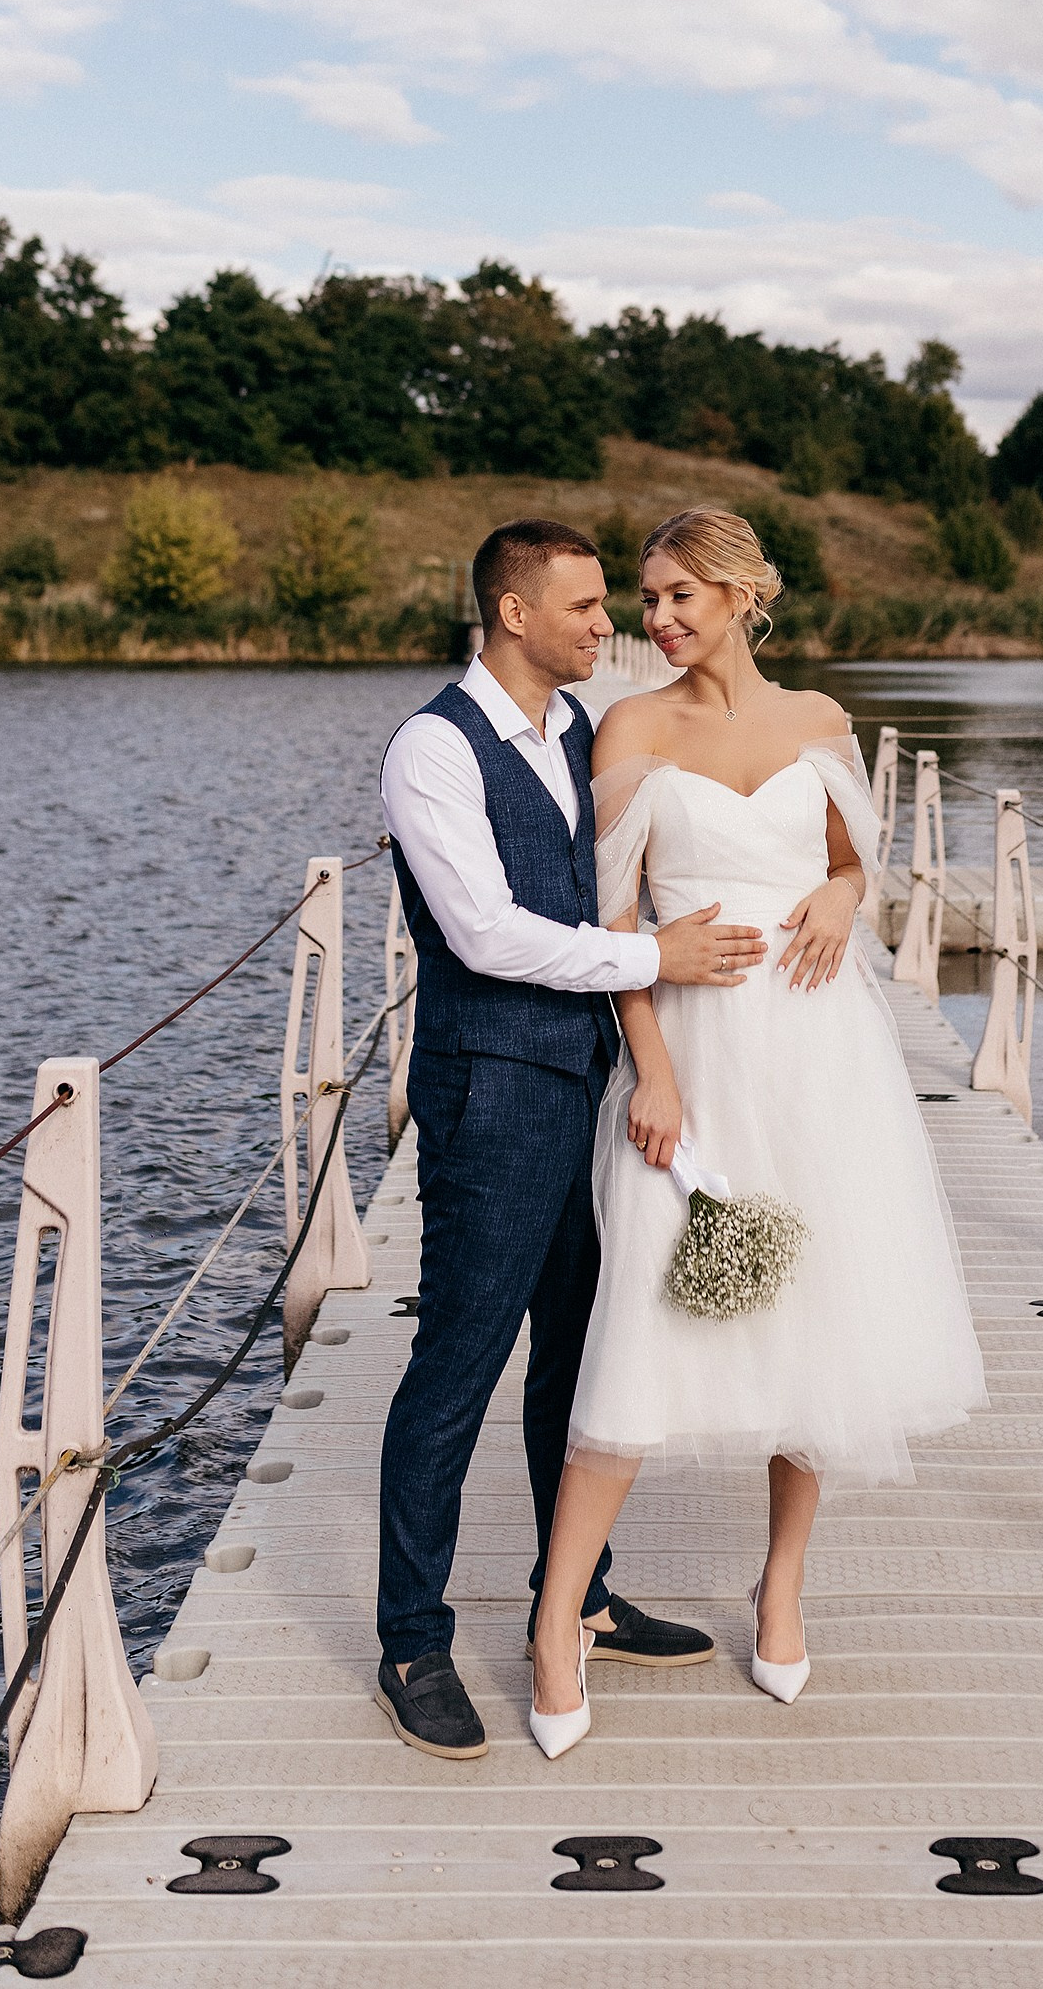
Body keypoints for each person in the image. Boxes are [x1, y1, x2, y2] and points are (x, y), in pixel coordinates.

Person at [526, 506, 986, 1756]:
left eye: (677, 596)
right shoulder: (630, 728)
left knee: (808, 1321)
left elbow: (848, 864)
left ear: (739, 595)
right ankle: (556, 1623)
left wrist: (840, 898)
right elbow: (616, 924)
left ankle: (779, 1586)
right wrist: (652, 1075)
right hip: (696, 1052)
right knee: (642, 1330)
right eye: (645, 599)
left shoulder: (819, 723)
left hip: (819, 1048)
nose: (654, 620)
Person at [376, 515, 769, 1758]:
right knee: (459, 1362)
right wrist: (655, 955)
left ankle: (583, 1596)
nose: (611, 627)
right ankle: (410, 1641)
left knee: (575, 1361)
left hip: (587, 1088)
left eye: (613, 605)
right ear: (512, 614)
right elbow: (486, 935)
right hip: (491, 1094)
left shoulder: (581, 730)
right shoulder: (432, 751)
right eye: (589, 608)